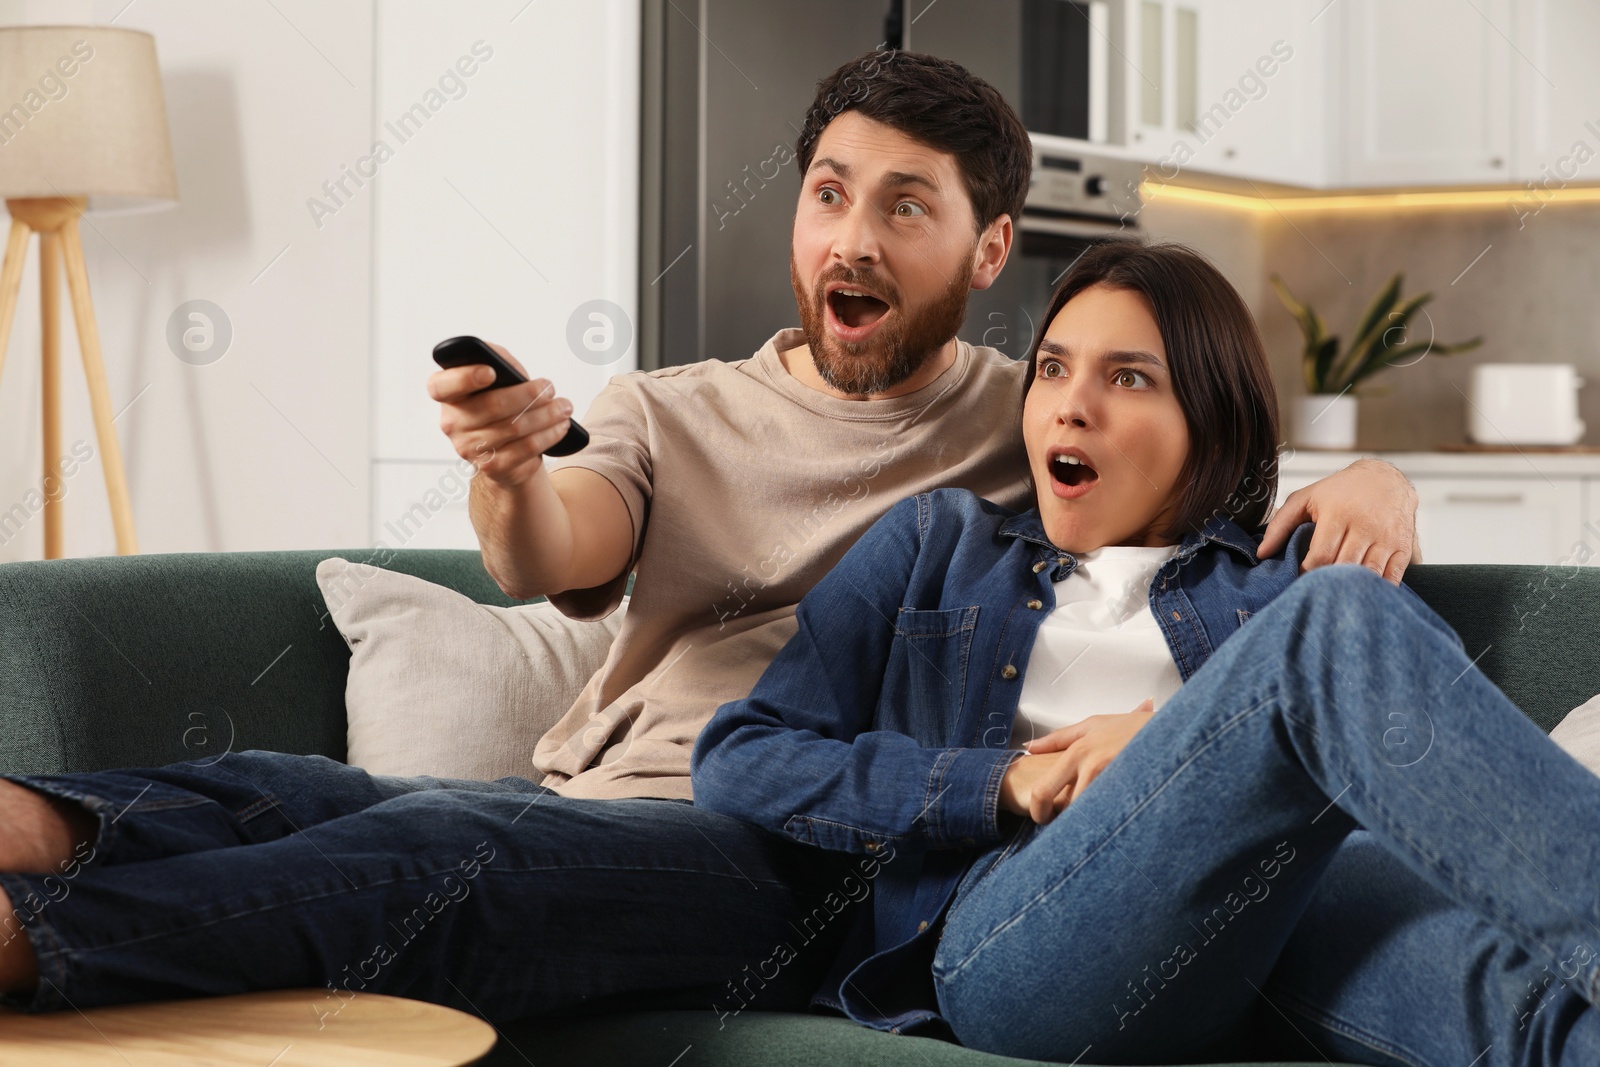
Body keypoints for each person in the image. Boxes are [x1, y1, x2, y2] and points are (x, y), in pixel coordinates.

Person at [0, 52, 1421, 1023]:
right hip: (587, 791)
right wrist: (506, 466)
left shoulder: (1036, 408)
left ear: (990, 253)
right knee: (290, 789)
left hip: (778, 849)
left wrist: (1380, 476)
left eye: (905, 206)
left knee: (438, 847)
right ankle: (35, 820)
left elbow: (1202, 496)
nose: (851, 240)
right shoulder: (670, 411)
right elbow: (558, 548)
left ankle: (32, 945)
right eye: (830, 194)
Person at [690, 239, 1600, 1067]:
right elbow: (741, 758)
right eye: (1052, 369)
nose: (1072, 407)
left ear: (1209, 417)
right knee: (1339, 618)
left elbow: (1404, 769)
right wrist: (999, 781)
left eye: (1128, 379)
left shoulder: (1277, 583)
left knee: (1546, 1021)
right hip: (1015, 937)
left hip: (1277, 930)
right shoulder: (937, 544)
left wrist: (1170, 741)